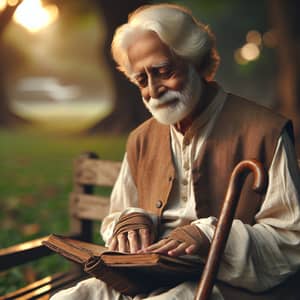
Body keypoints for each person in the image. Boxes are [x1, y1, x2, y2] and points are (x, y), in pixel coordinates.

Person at [51, 3, 300, 300]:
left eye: (163, 71)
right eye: (142, 79)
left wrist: (209, 237)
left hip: (225, 283)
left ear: (195, 60)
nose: (154, 89)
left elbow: (290, 240)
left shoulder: (265, 131)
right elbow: (118, 214)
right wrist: (129, 222)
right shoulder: (140, 138)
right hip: (143, 280)